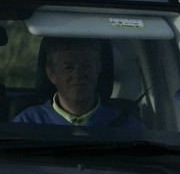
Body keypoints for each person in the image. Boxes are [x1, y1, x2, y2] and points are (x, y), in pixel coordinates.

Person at [12, 38, 142, 127]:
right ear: (52, 74)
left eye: (86, 66)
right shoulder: (26, 124)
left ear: (98, 70)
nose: (78, 74)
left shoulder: (128, 127)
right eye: (68, 67)